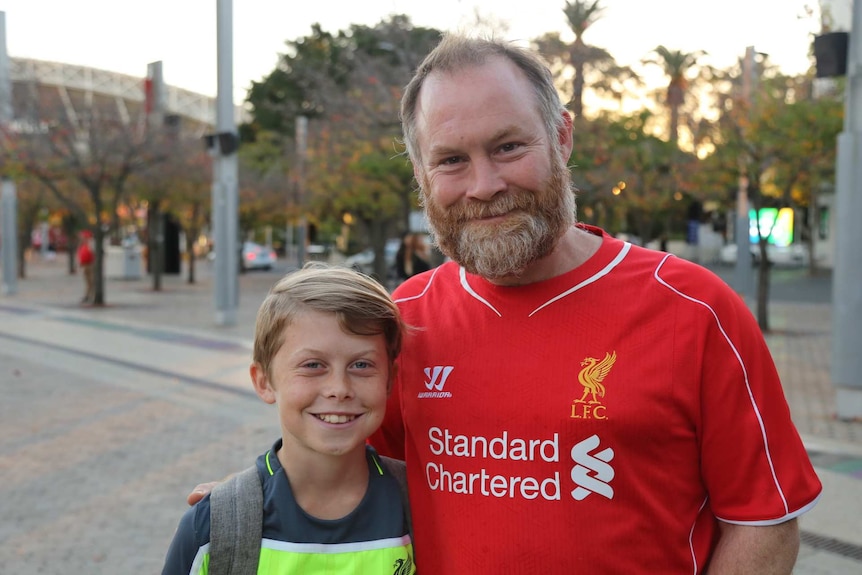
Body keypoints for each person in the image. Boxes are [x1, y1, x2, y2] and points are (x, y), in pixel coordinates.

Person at [191, 35, 821, 573]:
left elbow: (764, 519)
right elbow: (349, 464)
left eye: (509, 147)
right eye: (451, 160)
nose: (484, 185)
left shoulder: (695, 309)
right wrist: (258, 498)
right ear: (421, 173)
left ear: (562, 136)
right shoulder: (398, 321)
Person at [165, 263, 414, 574]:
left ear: (390, 381)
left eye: (361, 365)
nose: (339, 389)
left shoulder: (421, 509)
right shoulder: (215, 529)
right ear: (264, 381)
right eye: (313, 365)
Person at [77, 229, 94, 304]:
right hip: (85, 265)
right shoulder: (83, 245)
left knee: (90, 282)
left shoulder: (90, 244)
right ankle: (88, 295)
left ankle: (89, 296)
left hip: (89, 265)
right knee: (88, 281)